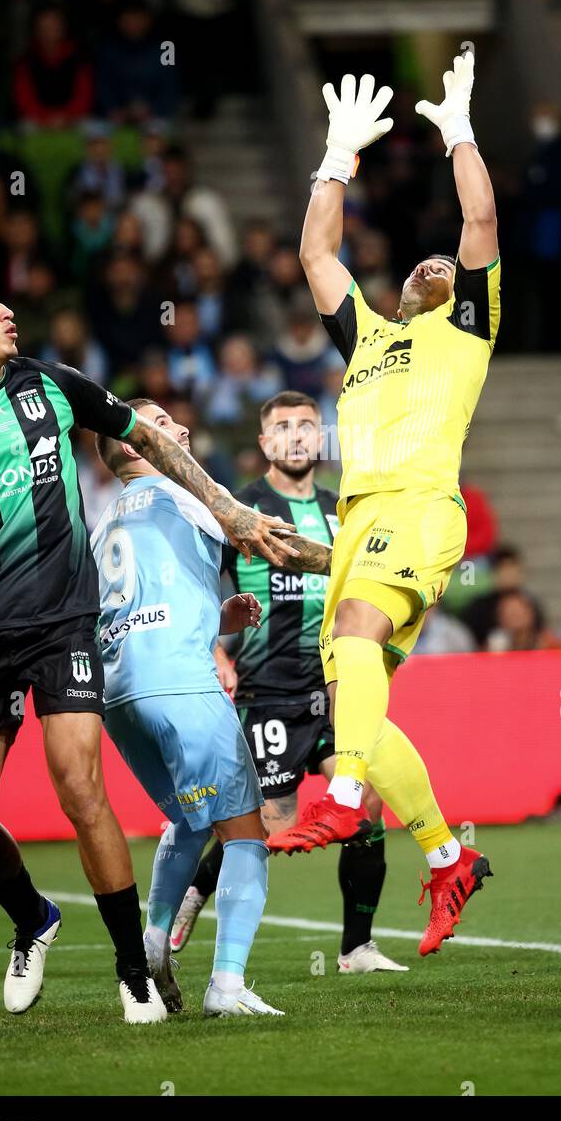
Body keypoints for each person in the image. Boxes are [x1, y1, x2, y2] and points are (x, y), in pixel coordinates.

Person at [0, 273, 298, 1022]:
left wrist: (228, 505)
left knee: (81, 785)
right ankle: (33, 919)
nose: (6, 311)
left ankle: (133, 970)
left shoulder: (52, 384)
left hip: (65, 621)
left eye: (3, 301)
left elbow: (142, 437)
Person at [266, 54, 501, 957]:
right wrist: (334, 156)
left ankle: (346, 795)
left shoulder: (468, 331)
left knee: (356, 650)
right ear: (404, 286)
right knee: (357, 695)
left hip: (421, 509)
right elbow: (315, 253)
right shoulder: (367, 336)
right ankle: (449, 855)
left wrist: (458, 132)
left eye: (451, 266)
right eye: (427, 262)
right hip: (358, 519)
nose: (441, 264)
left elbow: (478, 215)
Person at [92, 399, 336, 1014]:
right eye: (164, 427)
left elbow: (143, 603)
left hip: (119, 693)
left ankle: (151, 943)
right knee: (247, 837)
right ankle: (226, 985)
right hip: (182, 686)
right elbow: (279, 545)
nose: (182, 430)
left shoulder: (103, 521)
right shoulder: (192, 496)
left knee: (191, 819)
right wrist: (364, 566)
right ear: (134, 445)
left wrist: (218, 619)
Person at [172, 391, 407, 975]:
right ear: (264, 443)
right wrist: (215, 652)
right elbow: (202, 585)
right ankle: (194, 890)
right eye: (283, 427)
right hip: (268, 690)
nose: (298, 435)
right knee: (265, 827)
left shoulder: (343, 510)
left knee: (367, 808)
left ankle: (356, 948)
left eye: (308, 425)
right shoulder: (242, 510)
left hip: (332, 690)